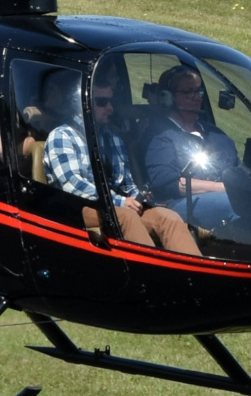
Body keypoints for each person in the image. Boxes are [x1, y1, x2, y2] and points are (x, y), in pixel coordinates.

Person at [43, 69, 200, 256]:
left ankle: (200, 277)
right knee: (126, 216)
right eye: (102, 102)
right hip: (79, 210)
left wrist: (141, 200)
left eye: (111, 101)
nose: (110, 107)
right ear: (82, 105)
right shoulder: (61, 137)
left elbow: (126, 183)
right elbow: (73, 186)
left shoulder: (113, 138)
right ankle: (154, 274)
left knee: (168, 217)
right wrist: (120, 201)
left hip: (115, 207)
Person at [143, 65, 240, 230]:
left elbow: (239, 170)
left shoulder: (216, 135)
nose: (197, 98)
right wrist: (223, 189)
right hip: (177, 204)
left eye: (199, 91)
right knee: (237, 205)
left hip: (225, 196)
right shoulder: (160, 136)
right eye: (188, 92)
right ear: (168, 98)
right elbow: (166, 181)